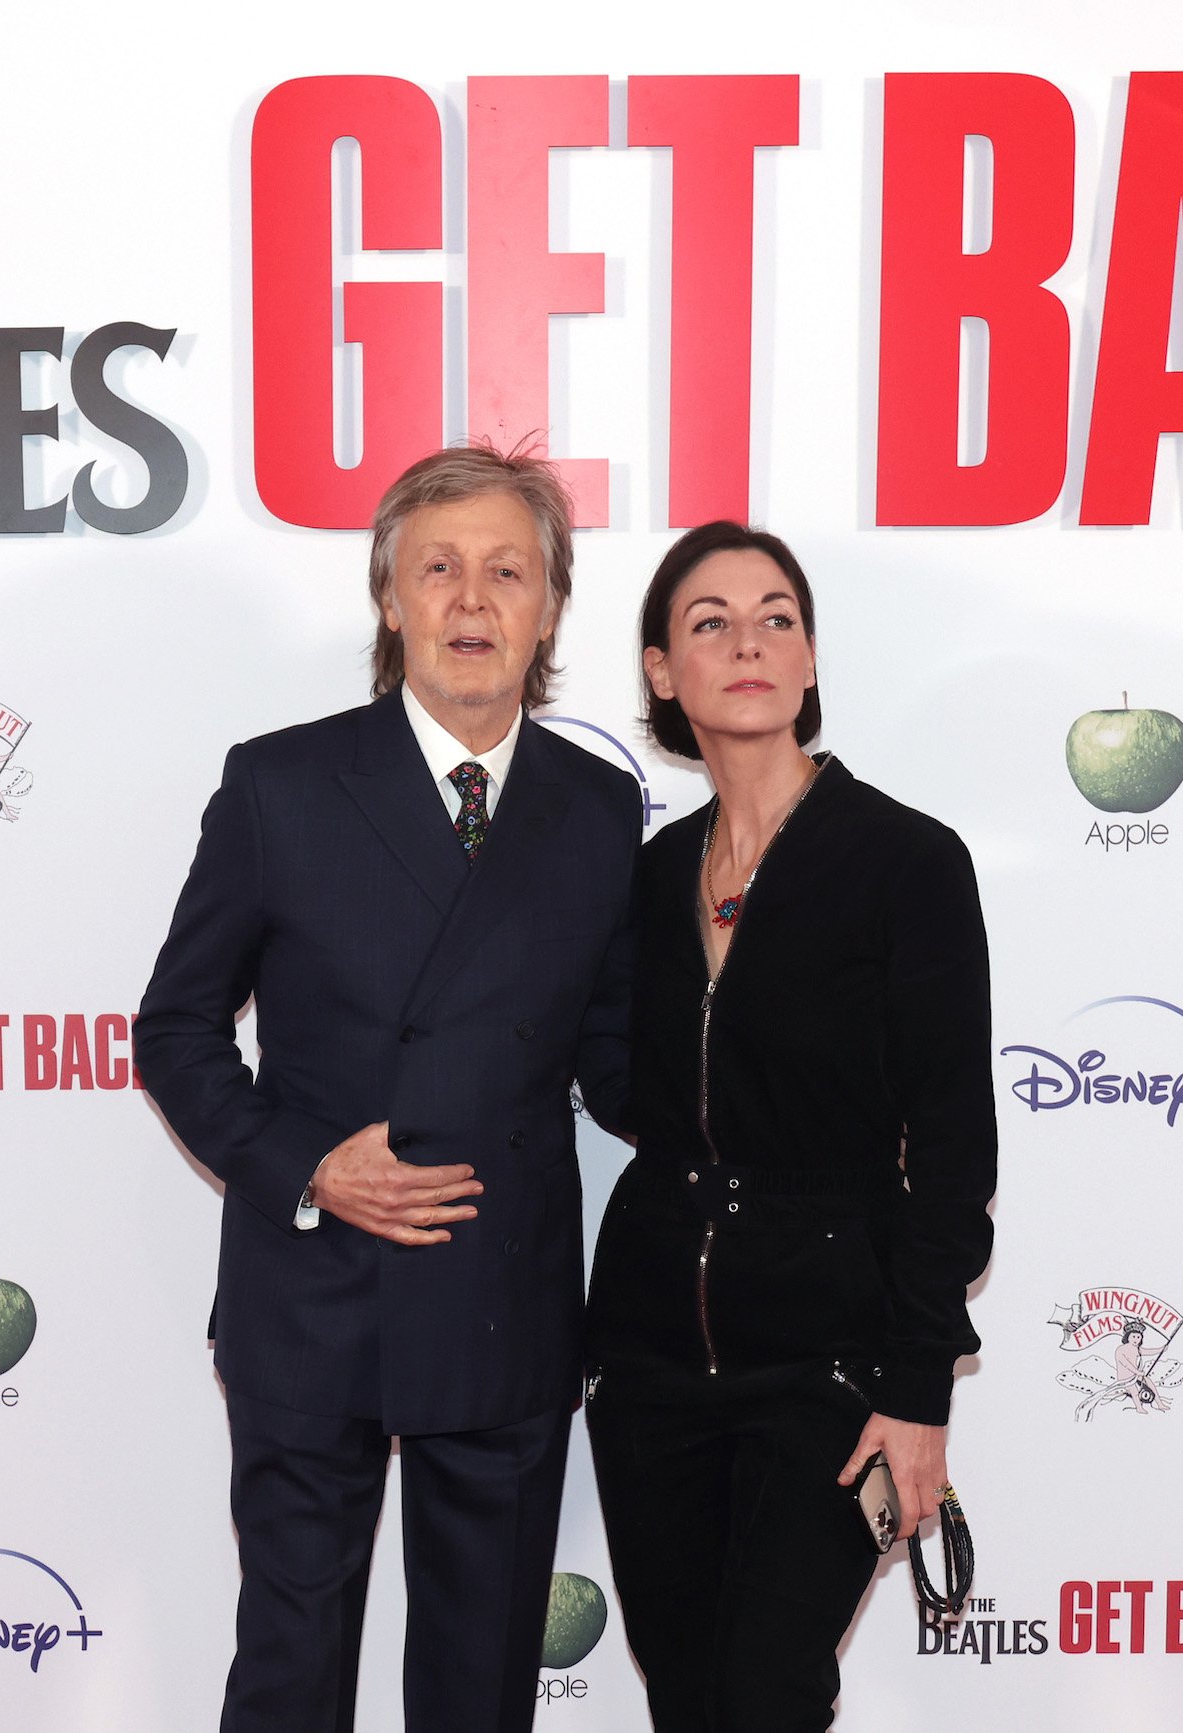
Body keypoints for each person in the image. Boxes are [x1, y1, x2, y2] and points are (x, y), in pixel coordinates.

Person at [135, 444, 639, 1733]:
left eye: (508, 571)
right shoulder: (282, 783)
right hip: (313, 1298)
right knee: (292, 1673)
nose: (474, 599)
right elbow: (177, 1027)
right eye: (441, 568)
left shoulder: (598, 806)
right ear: (392, 597)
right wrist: (307, 1162)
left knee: (480, 1689)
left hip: (503, 1296)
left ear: (549, 607)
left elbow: (620, 1056)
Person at [583, 521, 996, 1731]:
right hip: (653, 1357)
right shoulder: (652, 876)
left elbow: (954, 1143)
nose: (748, 641)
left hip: (831, 1363)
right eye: (709, 621)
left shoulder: (906, 861)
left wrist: (918, 1389)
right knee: (690, 1695)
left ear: (811, 660)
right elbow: (642, 1086)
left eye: (777, 617)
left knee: (766, 1695)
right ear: (663, 670)